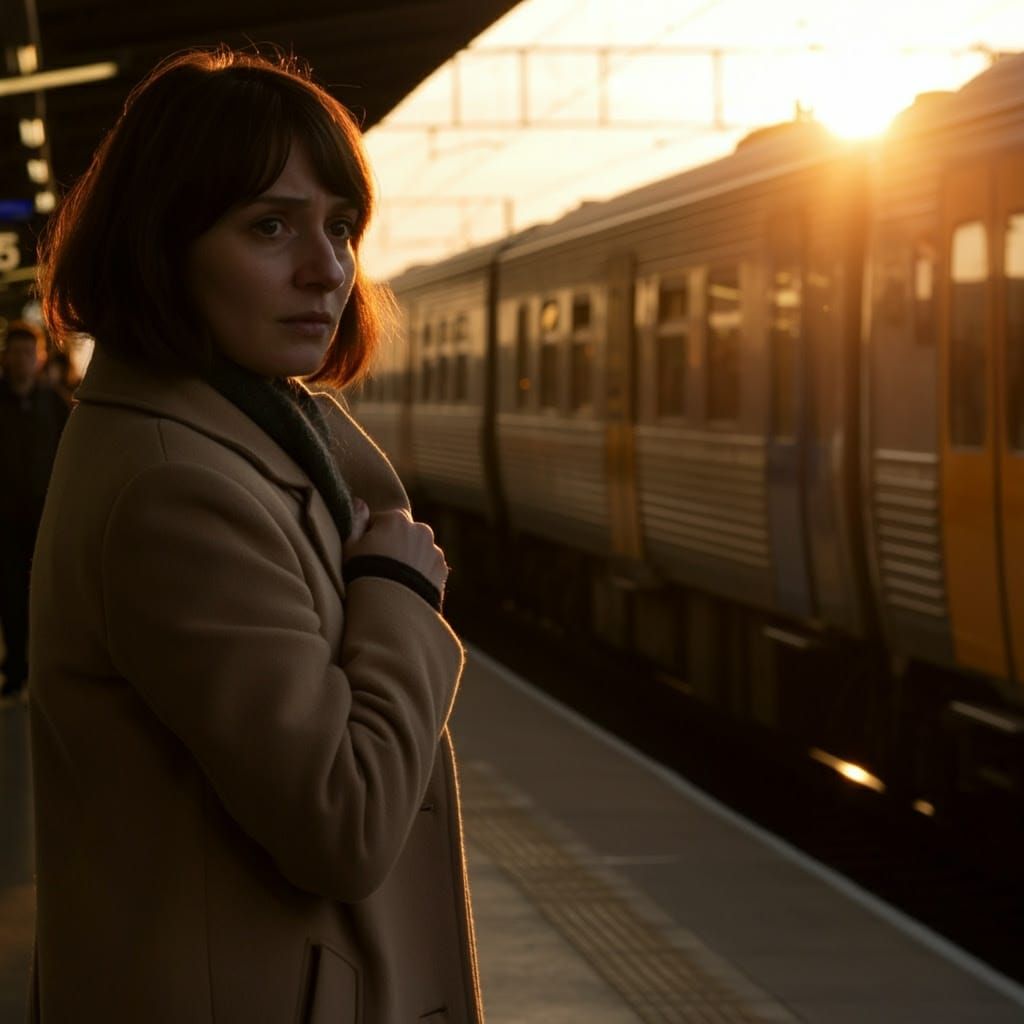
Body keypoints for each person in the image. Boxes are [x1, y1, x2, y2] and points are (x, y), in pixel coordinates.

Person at [30, 48, 482, 1022]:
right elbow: (345, 823)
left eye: (342, 227)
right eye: (269, 226)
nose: (325, 269)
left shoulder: (242, 438)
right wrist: (396, 596)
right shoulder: (175, 486)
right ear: (164, 243)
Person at [0, 320, 68, 703]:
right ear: (7, 357)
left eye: (30, 352)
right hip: (4, 519)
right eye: (17, 353)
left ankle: (39, 674)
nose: (23, 360)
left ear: (39, 357)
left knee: (42, 596)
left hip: (45, 516)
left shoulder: (54, 403)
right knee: (9, 595)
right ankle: (15, 674)